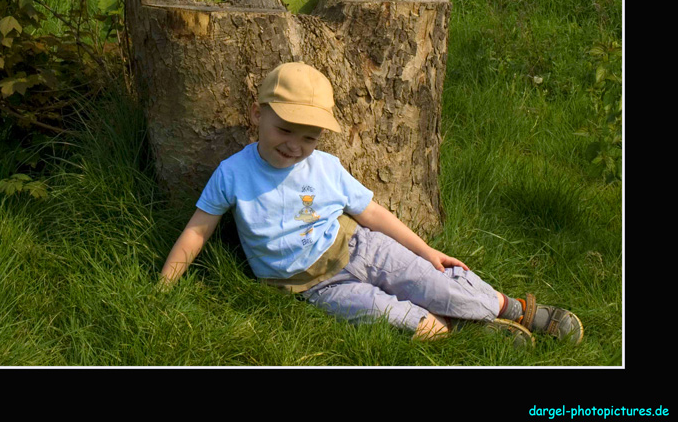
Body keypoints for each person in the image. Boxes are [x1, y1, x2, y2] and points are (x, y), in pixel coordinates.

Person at [159, 61, 583, 344]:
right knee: (411, 324)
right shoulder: (232, 173)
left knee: (431, 281)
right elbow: (198, 231)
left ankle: (512, 308)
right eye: (285, 129)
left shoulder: (325, 166)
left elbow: (372, 213)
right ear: (258, 114)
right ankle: (469, 328)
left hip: (362, 247)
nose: (295, 146)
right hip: (315, 287)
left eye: (310, 137)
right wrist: (164, 289)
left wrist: (427, 250)